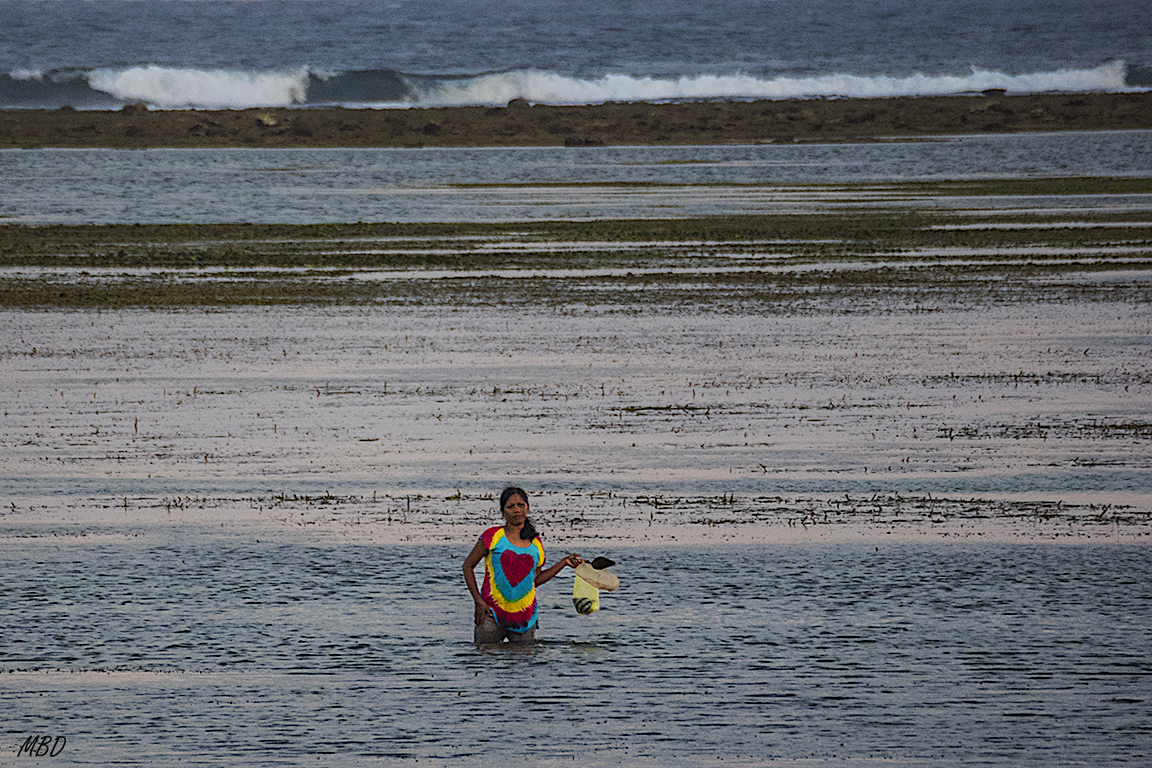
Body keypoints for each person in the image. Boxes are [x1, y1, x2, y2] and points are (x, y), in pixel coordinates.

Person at [463, 486, 581, 644]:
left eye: (520, 505)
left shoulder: (536, 543)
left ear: (528, 508)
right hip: (491, 614)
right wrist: (478, 601)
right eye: (510, 506)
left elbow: (535, 581)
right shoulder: (492, 536)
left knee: (523, 666)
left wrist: (563, 563)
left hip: (524, 619)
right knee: (485, 665)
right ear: (503, 512)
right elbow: (467, 566)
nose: (516, 510)